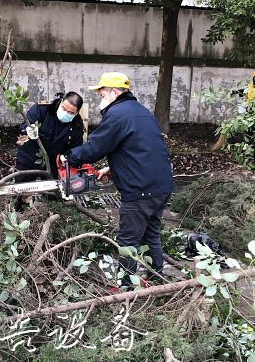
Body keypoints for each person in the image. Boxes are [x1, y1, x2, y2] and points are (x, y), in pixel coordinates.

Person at [60, 72, 173, 288]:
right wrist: (113, 168)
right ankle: (157, 279)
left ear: (114, 92)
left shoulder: (117, 114)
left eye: (102, 92)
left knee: (127, 241)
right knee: (151, 235)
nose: (100, 96)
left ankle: (125, 287)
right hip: (160, 186)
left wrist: (68, 156)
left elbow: (95, 148)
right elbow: (139, 149)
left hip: (140, 190)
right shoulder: (140, 112)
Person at [15, 92, 85, 209]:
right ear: (61, 101)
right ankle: (19, 215)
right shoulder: (43, 109)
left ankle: (50, 214)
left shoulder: (76, 125)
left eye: (70, 113)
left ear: (76, 113)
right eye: (64, 108)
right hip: (29, 157)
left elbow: (75, 149)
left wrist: (67, 158)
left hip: (52, 163)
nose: (66, 113)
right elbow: (25, 125)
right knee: (22, 190)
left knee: (53, 195)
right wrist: (28, 130)